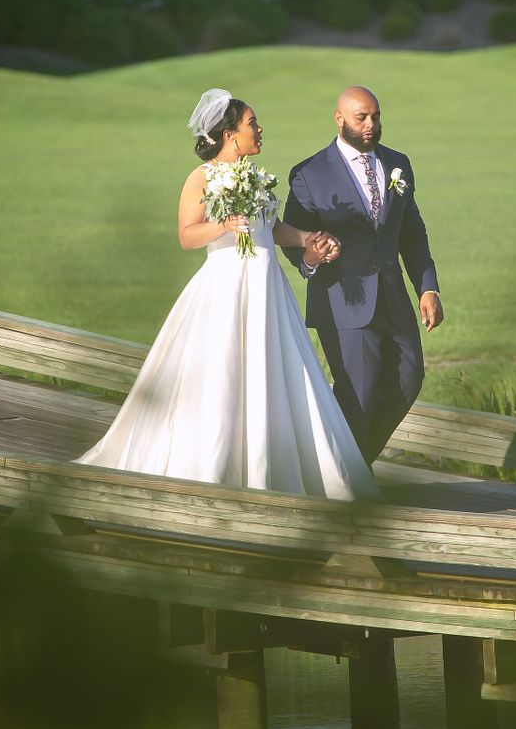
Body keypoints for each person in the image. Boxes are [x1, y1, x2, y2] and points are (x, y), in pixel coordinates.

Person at [74, 89, 379, 500]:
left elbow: (271, 228)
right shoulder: (201, 177)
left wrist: (310, 237)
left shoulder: (256, 177)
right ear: (231, 135)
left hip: (267, 290)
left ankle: (272, 468)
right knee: (223, 375)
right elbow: (186, 236)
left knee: (274, 373)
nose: (260, 129)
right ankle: (215, 471)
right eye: (252, 123)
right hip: (225, 292)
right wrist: (223, 225)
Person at [282, 86, 442, 466]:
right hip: (343, 303)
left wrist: (428, 285)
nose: (371, 125)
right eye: (361, 118)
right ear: (339, 119)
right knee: (360, 394)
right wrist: (310, 256)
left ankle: (350, 467)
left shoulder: (398, 163)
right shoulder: (309, 174)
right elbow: (292, 237)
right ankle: (344, 482)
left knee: (409, 378)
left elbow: (411, 232)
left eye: (376, 116)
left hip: (394, 297)